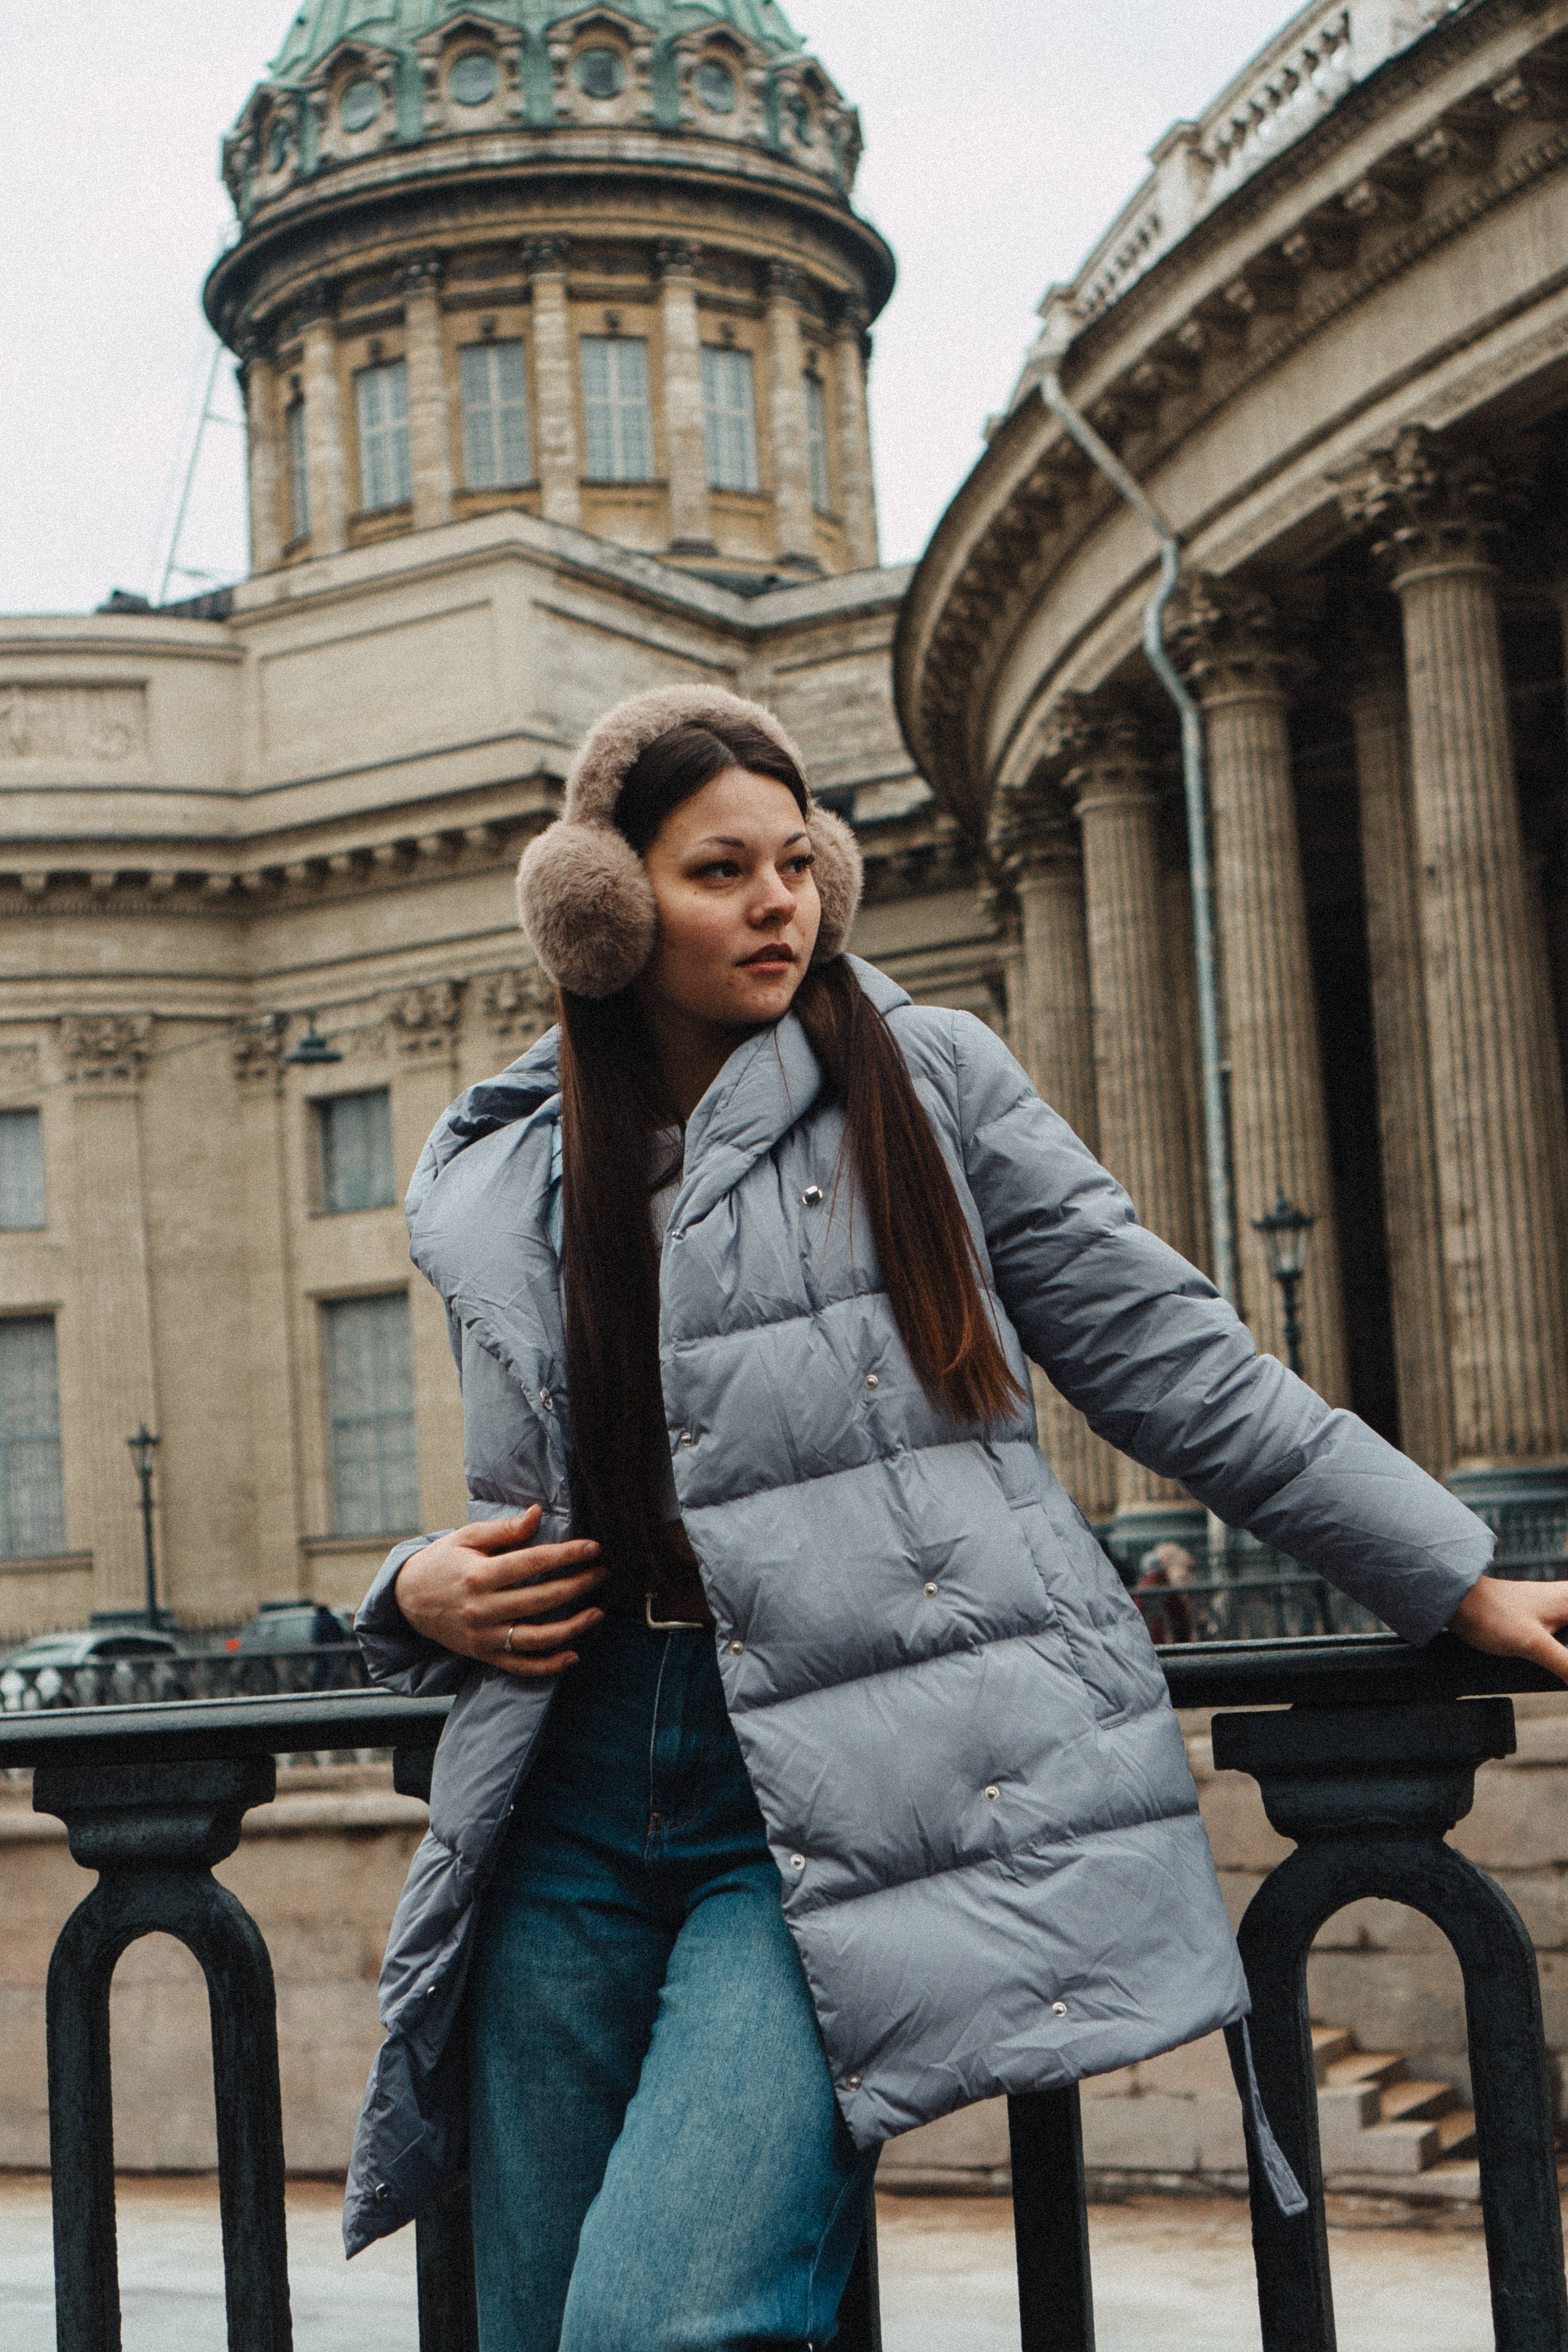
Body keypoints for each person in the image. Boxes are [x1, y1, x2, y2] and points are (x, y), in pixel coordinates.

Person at [342, 683, 1568, 2349]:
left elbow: (1168, 1357)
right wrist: (405, 1586)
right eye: (720, 871)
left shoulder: (923, 1079)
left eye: (795, 862)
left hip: (834, 1789)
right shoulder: (514, 1167)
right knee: (530, 2321)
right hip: (562, 1782)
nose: (777, 901)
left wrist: (1449, 1572)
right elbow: (541, 1488)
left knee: (666, 2320)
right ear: (604, 907)